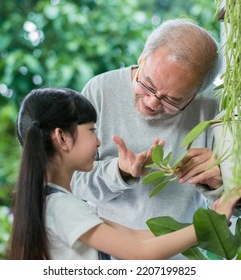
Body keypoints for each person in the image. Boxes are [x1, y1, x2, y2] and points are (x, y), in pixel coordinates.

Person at [7, 87, 239, 260]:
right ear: (62, 137)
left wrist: (211, 221)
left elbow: (135, 237)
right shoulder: (61, 206)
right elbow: (139, 252)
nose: (98, 141)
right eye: (91, 130)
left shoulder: (55, 202)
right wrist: (209, 225)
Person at [71, 19, 223, 259]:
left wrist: (217, 184)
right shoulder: (99, 90)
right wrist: (120, 173)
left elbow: (235, 201)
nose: (152, 103)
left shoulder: (216, 108)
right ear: (142, 58)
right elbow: (73, 181)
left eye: (172, 101)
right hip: (104, 249)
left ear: (199, 92)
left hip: (180, 253)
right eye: (147, 85)